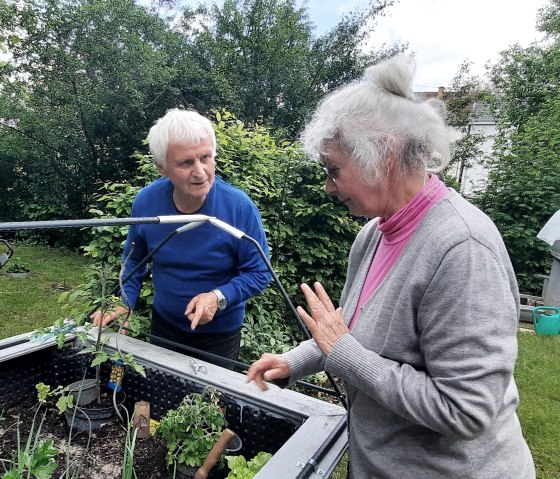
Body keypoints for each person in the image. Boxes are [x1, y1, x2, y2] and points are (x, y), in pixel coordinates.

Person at [247, 56, 535, 478]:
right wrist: (296, 361)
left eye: (334, 170)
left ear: (381, 152)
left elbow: (466, 410)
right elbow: (354, 333)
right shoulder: (375, 234)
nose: (328, 187)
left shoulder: (462, 248)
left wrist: (343, 354)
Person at [92, 108, 271, 366]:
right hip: (165, 326)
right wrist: (124, 301)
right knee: (162, 394)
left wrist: (219, 297)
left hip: (219, 335)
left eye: (206, 158)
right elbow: (134, 260)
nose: (200, 171)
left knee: (210, 403)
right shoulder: (146, 203)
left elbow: (260, 273)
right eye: (186, 163)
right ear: (162, 168)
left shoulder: (239, 207)